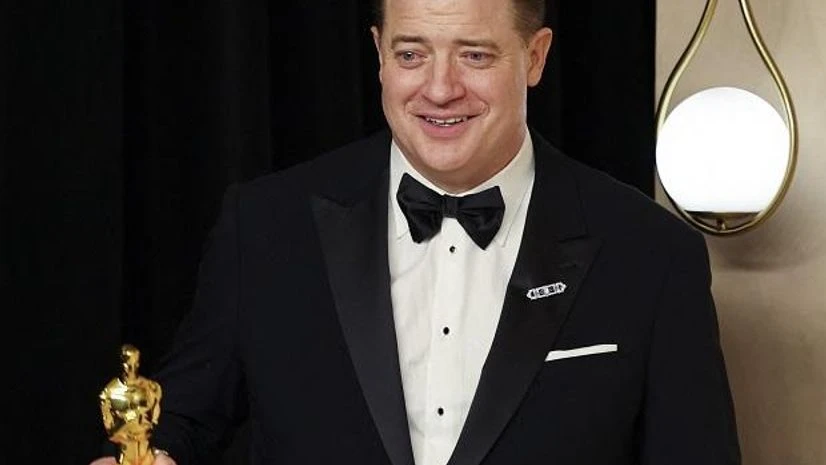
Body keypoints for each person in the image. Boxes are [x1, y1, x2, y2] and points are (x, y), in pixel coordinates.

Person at [92, 0, 741, 464]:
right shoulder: (265, 227)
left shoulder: (651, 253)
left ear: (535, 56)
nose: (439, 88)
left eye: (475, 54)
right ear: (379, 54)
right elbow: (180, 417)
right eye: (412, 53)